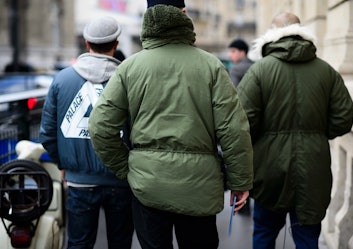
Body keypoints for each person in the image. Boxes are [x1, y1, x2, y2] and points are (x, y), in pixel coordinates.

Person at [88, 1, 253, 249]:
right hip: (199, 185)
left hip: (148, 184)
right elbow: (233, 129)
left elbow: (100, 126)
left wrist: (128, 167)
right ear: (183, 15)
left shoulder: (130, 67)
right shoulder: (211, 66)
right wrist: (240, 181)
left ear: (148, 18)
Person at [237, 12, 353, 249]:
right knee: (307, 237)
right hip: (313, 165)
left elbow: (242, 123)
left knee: (264, 233)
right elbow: (344, 118)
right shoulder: (326, 71)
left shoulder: (259, 71)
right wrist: (316, 135)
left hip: (269, 168)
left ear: (272, 34)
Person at [39, 16, 134, 249]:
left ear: (86, 43)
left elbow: (47, 133)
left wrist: (64, 163)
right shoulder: (129, 80)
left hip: (78, 181)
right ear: (116, 44)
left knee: (79, 244)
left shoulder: (62, 79)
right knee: (120, 243)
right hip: (121, 181)